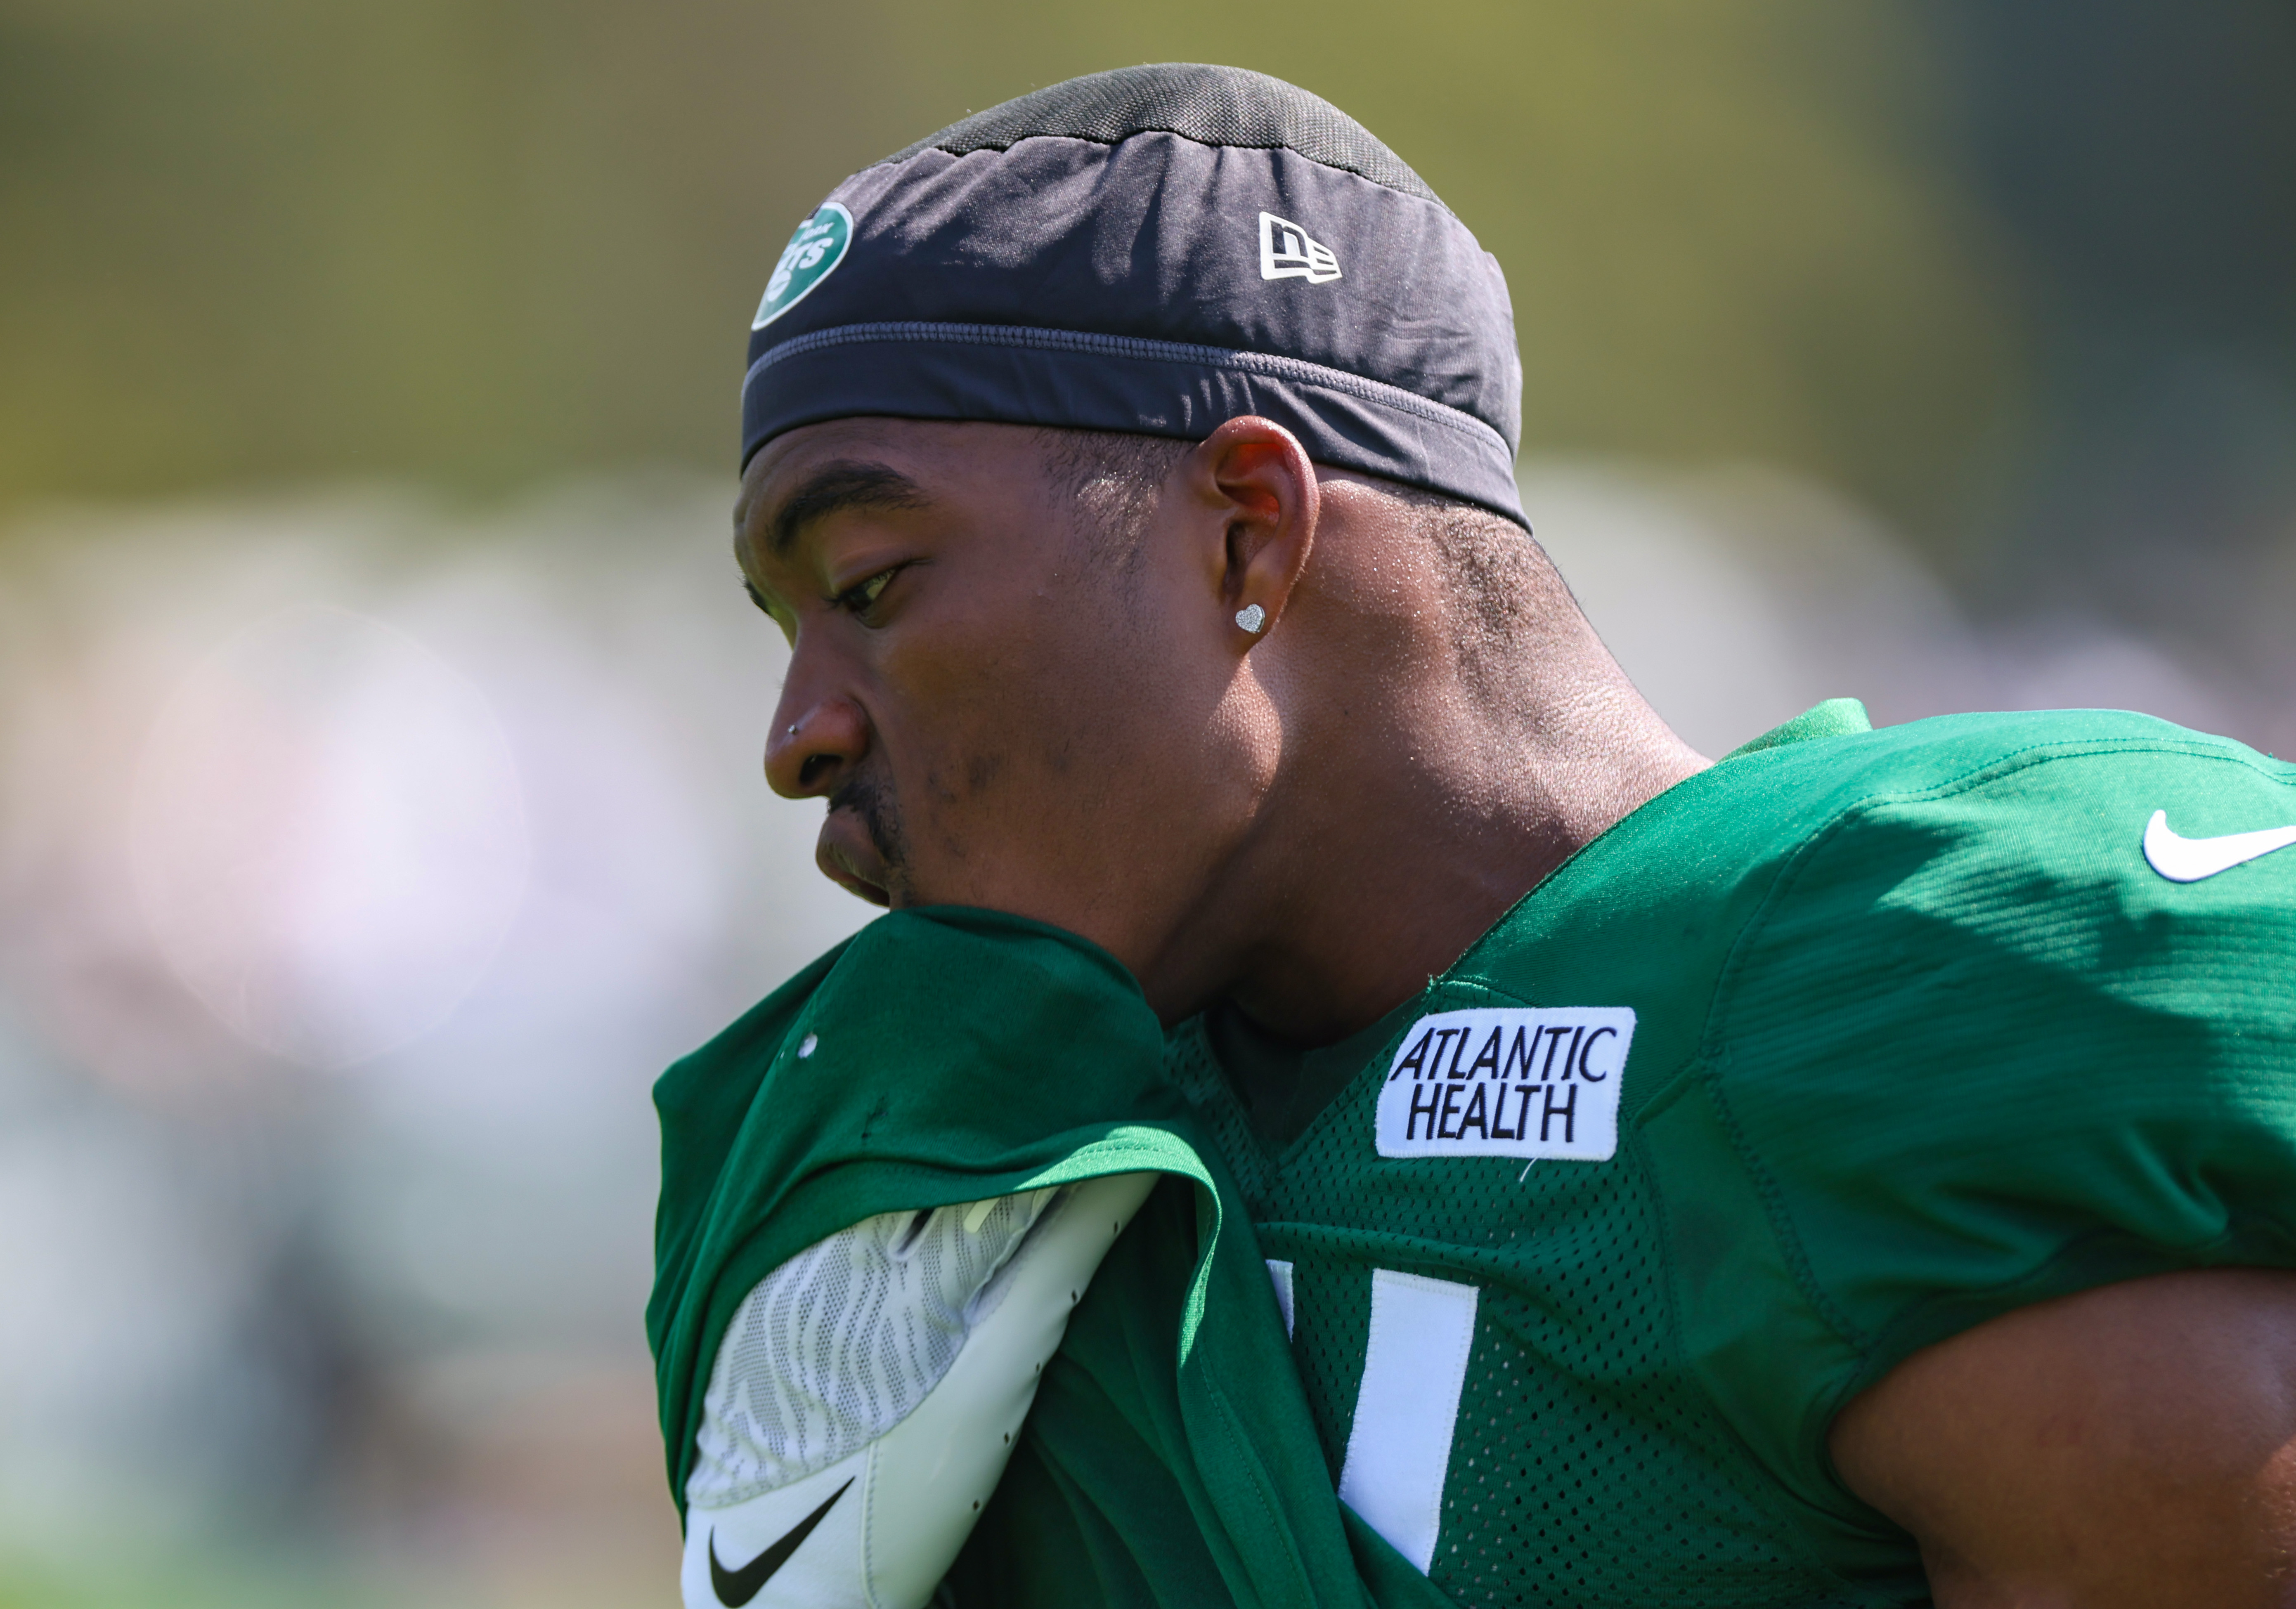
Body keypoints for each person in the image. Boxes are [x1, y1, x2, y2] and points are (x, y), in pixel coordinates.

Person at [647, 63, 2296, 1609]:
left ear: (1247, 529)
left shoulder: (1892, 978)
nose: (798, 736)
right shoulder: (1023, 1138)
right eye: (785, 628)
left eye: (868, 587)